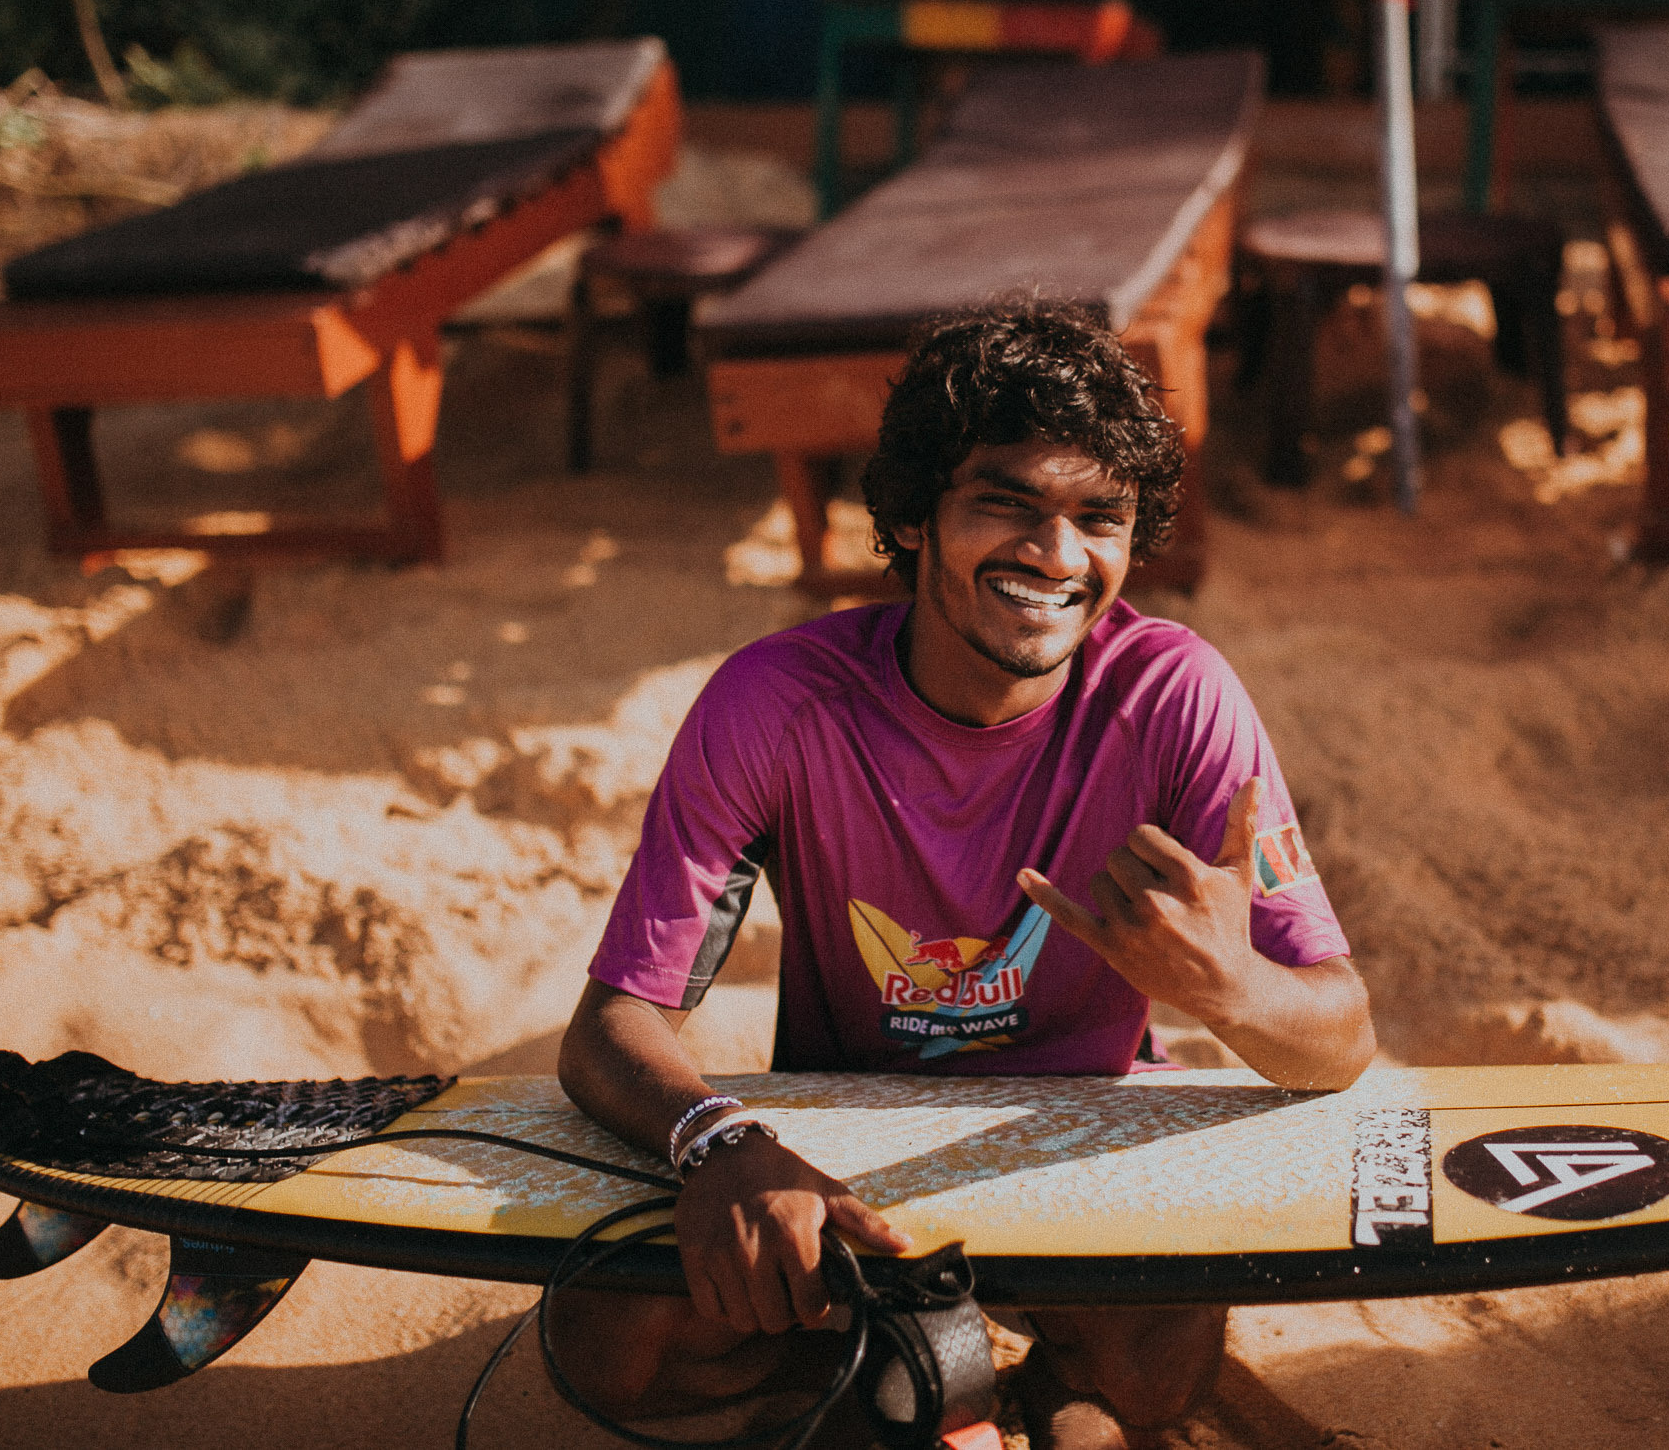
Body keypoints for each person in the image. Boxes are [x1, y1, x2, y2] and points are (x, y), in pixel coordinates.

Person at [553, 300, 1376, 1449]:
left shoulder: (1175, 695)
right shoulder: (773, 703)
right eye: (1007, 502)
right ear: (911, 514)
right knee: (608, 1346)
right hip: (842, 1151)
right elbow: (611, 1027)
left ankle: (1014, 1390)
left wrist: (1232, 985)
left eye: (1100, 516)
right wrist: (721, 1143)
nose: (1057, 555)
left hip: (1082, 1130)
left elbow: (1340, 1036)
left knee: (1156, 1367)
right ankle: (895, 1367)